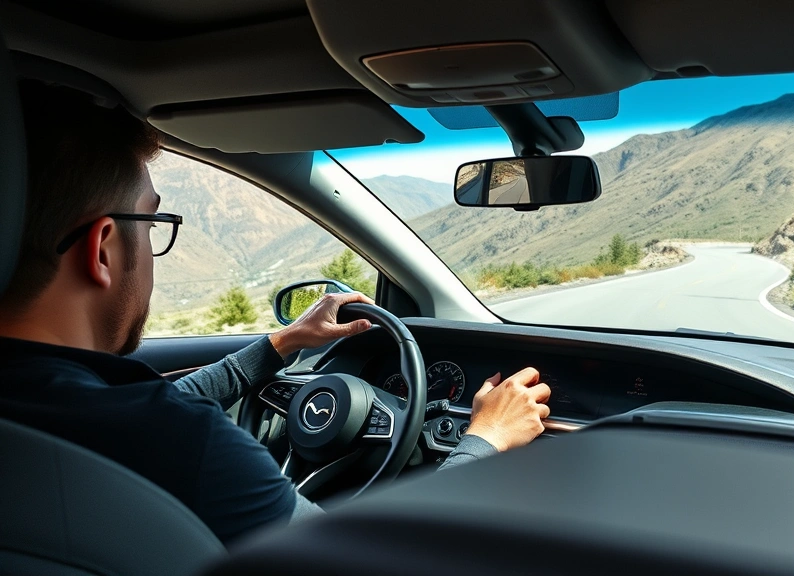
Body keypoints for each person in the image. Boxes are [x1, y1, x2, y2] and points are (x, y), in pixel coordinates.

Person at [0, 82, 552, 544]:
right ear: (102, 249)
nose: (150, 248)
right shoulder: (186, 446)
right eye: (150, 224)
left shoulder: (63, 407)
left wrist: (281, 345)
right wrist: (485, 441)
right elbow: (367, 559)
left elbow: (152, 406)